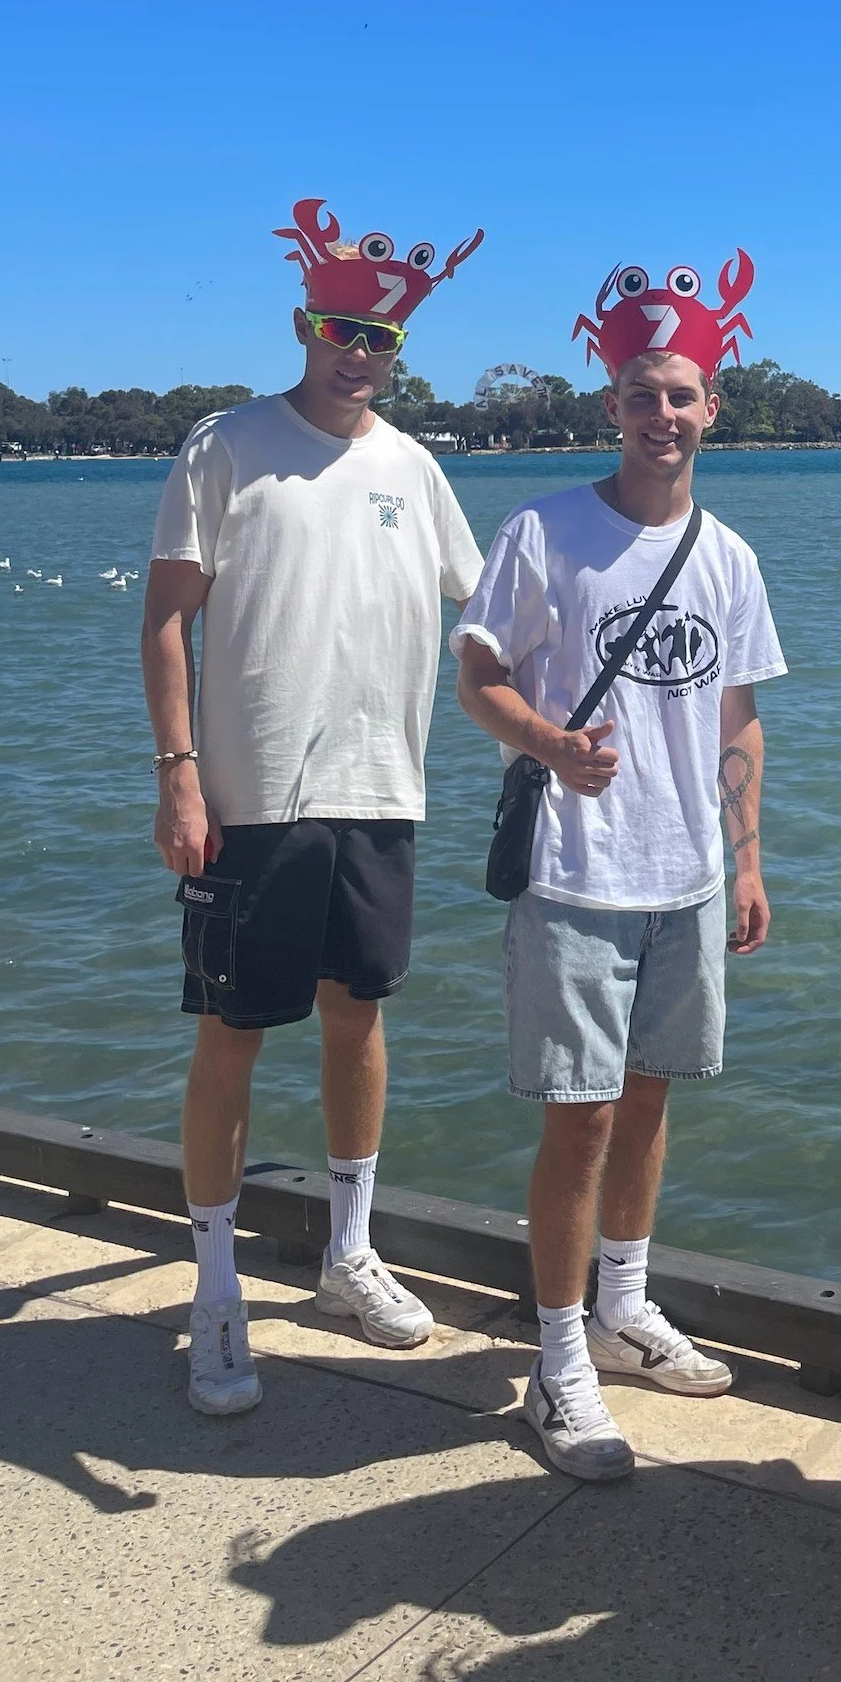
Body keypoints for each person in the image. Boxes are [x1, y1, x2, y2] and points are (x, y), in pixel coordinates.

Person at [141, 198, 486, 1414]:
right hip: (248, 799)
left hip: (383, 791)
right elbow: (168, 619)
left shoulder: (416, 466)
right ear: (305, 321)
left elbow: (487, 617)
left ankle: (349, 1250)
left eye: (380, 338)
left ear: (399, 351)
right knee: (231, 1035)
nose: (359, 351)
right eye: (342, 327)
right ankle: (218, 1286)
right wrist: (180, 773)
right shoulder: (225, 444)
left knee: (360, 1018)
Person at [453, 252, 785, 1482]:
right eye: (643, 396)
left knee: (651, 1100)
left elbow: (735, 719)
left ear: (713, 411)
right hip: (575, 875)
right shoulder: (545, 531)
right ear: (615, 407)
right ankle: (556, 1359)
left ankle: (624, 1306)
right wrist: (545, 740)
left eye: (683, 396)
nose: (663, 416)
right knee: (579, 1123)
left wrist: (746, 863)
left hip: (687, 877)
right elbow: (476, 673)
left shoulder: (729, 555)